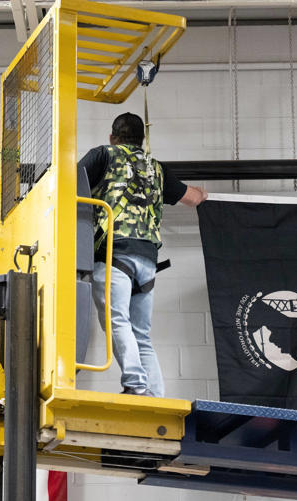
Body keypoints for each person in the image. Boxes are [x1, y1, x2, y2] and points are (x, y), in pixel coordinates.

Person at [78, 112, 207, 397]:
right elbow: (194, 199)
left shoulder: (103, 155)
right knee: (141, 334)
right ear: (143, 140)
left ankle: (135, 384)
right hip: (148, 261)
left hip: (115, 254)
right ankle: (155, 394)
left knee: (117, 322)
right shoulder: (157, 168)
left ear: (113, 137)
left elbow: (69, 182)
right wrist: (202, 191)